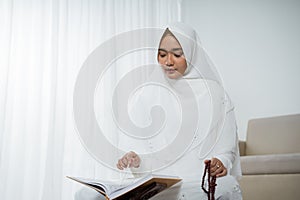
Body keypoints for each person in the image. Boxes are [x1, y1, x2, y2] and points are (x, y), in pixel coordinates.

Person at [75, 22, 242, 200]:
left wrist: (221, 162)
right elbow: (143, 150)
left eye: (177, 54)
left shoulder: (216, 95)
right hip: (157, 183)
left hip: (194, 181)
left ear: (192, 54)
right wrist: (135, 160)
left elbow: (226, 150)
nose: (168, 62)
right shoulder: (148, 93)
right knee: (87, 194)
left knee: (220, 188)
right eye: (162, 54)